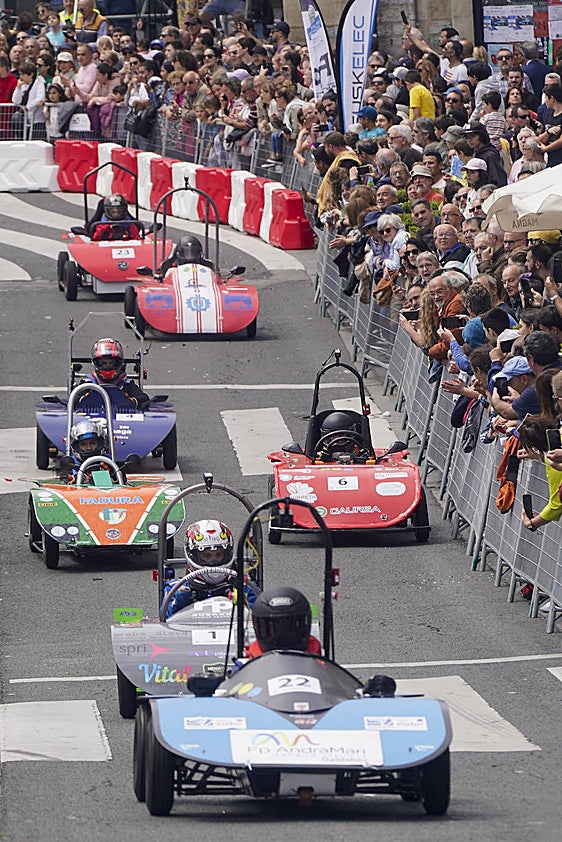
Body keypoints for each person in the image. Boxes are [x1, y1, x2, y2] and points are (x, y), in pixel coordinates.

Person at [161, 519, 259, 619]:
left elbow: (260, 618)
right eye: (206, 556)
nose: (213, 561)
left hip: (232, 632)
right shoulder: (176, 589)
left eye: (219, 555)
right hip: (191, 633)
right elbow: (165, 619)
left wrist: (243, 604)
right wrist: (181, 601)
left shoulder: (245, 587)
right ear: (192, 555)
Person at [247, 586, 321, 657]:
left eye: (289, 627)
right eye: (274, 629)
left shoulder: (317, 658)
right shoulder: (249, 661)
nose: (282, 637)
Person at [84, 337, 151, 408]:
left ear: (118, 363)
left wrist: (130, 400)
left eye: (111, 363)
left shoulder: (125, 383)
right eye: (103, 363)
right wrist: (84, 399)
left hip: (120, 417)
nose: (107, 366)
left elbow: (144, 399)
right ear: (96, 363)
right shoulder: (88, 383)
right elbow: (73, 399)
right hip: (91, 417)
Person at [59, 419, 109, 483]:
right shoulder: (71, 464)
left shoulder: (108, 461)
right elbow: (65, 481)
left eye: (93, 443)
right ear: (76, 446)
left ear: (99, 443)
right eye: (83, 444)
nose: (89, 448)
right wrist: (75, 479)